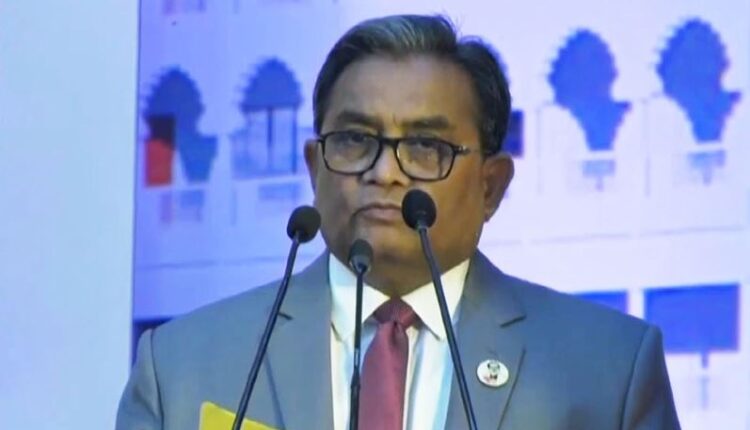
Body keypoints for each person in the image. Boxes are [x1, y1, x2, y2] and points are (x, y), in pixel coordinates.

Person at [117, 14, 681, 429]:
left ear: (491, 186)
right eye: (354, 140)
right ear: (315, 167)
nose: (383, 172)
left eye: (426, 147)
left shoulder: (607, 372)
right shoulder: (183, 367)